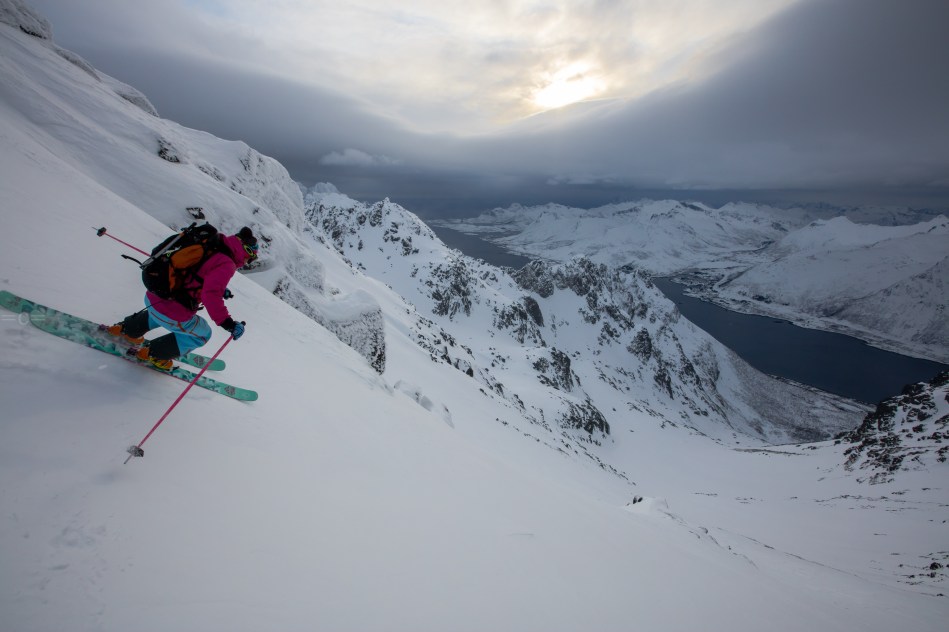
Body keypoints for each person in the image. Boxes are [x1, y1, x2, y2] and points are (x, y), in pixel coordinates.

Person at [107, 226, 259, 370]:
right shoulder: (227, 264)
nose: (247, 263)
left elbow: (195, 271)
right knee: (203, 334)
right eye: (251, 259)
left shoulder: (212, 243)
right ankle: (154, 354)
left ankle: (127, 330)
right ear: (246, 252)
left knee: (163, 309)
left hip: (154, 295)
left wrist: (220, 288)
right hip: (172, 312)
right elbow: (210, 295)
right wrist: (228, 323)